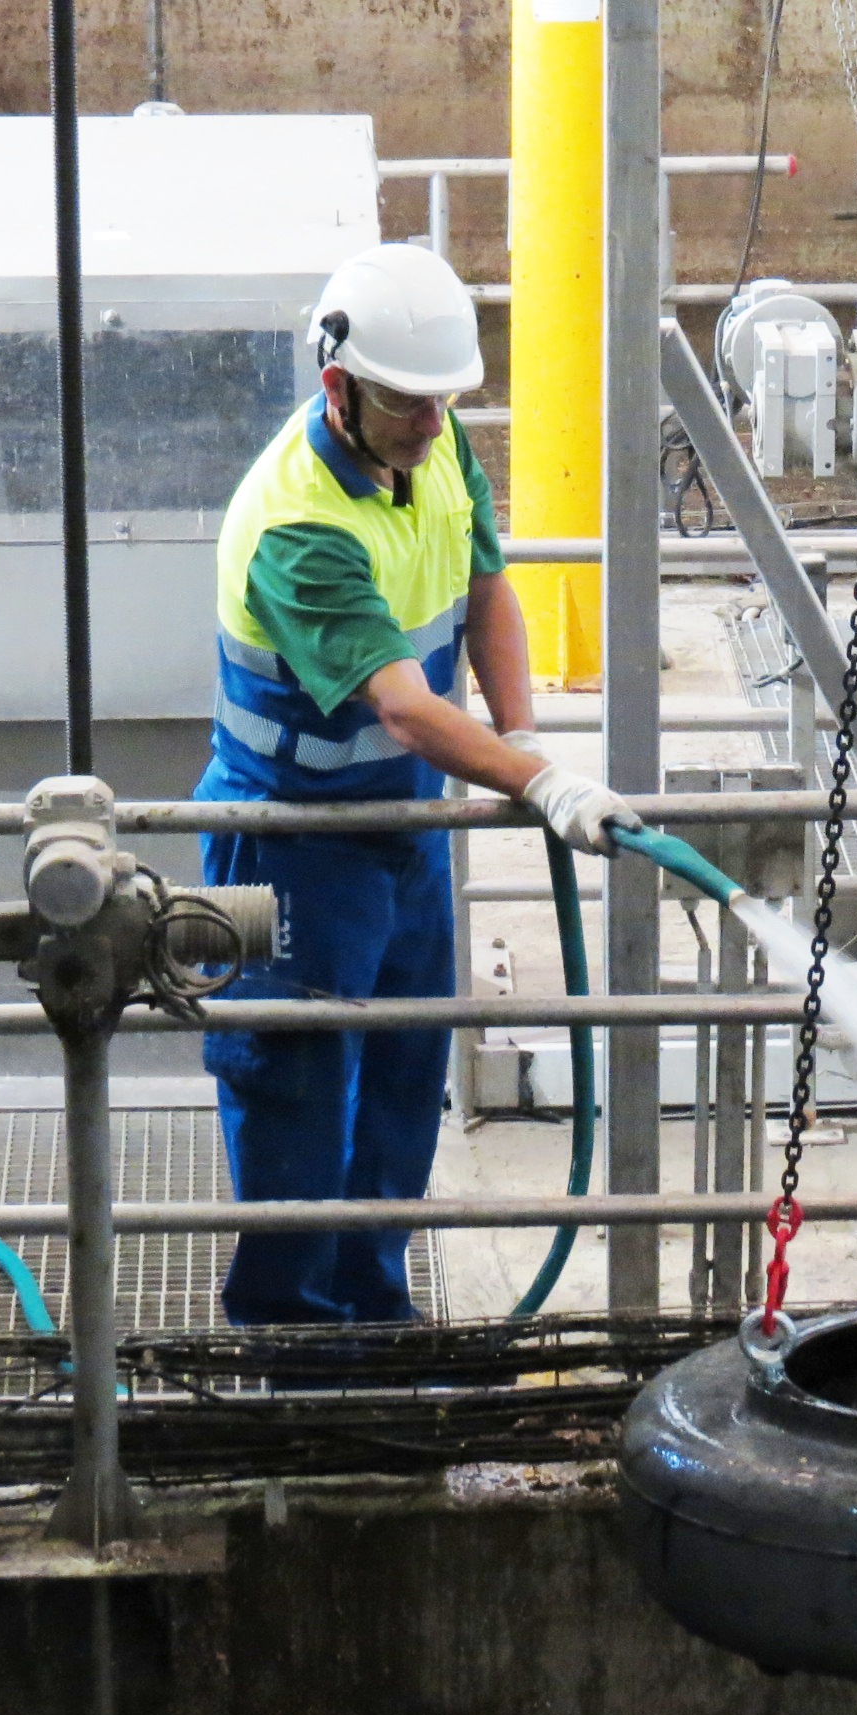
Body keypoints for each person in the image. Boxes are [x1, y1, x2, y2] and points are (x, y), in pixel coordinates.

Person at [196, 242, 638, 1325]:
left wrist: (526, 737)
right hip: (286, 845)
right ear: (334, 383)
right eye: (408, 405)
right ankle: (293, 1355)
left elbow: (486, 587)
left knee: (398, 1088)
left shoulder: (432, 448)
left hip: (401, 834)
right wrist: (536, 783)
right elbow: (398, 703)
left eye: (445, 402)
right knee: (296, 1098)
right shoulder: (299, 526)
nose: (433, 426)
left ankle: (374, 1327)